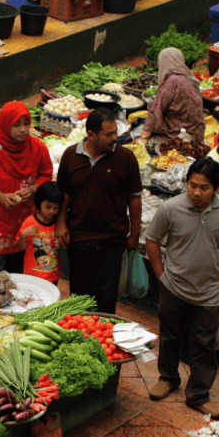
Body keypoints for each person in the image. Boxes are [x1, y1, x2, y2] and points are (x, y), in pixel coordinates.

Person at [145, 158, 219, 419]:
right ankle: (168, 378)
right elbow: (152, 239)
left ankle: (198, 395)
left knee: (203, 345)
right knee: (170, 336)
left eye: (204, 188)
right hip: (174, 287)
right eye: (192, 185)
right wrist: (161, 275)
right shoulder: (171, 208)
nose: (196, 192)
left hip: (210, 291)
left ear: (216, 189)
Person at [55, 108, 141, 314]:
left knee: (105, 300)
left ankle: (102, 340)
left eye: (115, 132)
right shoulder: (70, 156)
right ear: (91, 135)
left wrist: (135, 234)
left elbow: (134, 198)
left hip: (112, 241)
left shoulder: (126, 158)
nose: (115, 137)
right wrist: (60, 223)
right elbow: (64, 194)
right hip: (79, 239)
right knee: (79, 300)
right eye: (109, 134)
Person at [0, 100, 53, 274]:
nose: (23, 129)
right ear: (6, 125)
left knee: (19, 270)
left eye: (26, 124)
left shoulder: (38, 148)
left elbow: (46, 173)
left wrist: (34, 188)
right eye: (16, 125)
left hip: (24, 220)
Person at [137, 47, 206, 151]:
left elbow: (156, 110)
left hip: (181, 139)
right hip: (197, 137)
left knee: (143, 144)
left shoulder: (173, 81)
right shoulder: (190, 79)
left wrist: (143, 137)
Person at [15, 181, 64, 284]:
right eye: (48, 207)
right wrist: (23, 235)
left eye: (56, 208)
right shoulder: (30, 222)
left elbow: (61, 245)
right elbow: (21, 247)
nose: (51, 211)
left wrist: (58, 244)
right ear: (39, 202)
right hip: (31, 275)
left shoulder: (59, 223)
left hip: (52, 274)